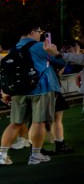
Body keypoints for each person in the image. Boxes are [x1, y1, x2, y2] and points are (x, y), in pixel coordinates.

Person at [0, 25, 64, 166]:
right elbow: (60, 61)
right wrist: (56, 52)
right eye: (39, 32)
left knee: (16, 122)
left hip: (19, 89)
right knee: (38, 122)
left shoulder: (14, 48)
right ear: (32, 32)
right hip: (41, 88)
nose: (40, 35)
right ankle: (35, 155)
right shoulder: (40, 46)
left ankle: (2, 154)